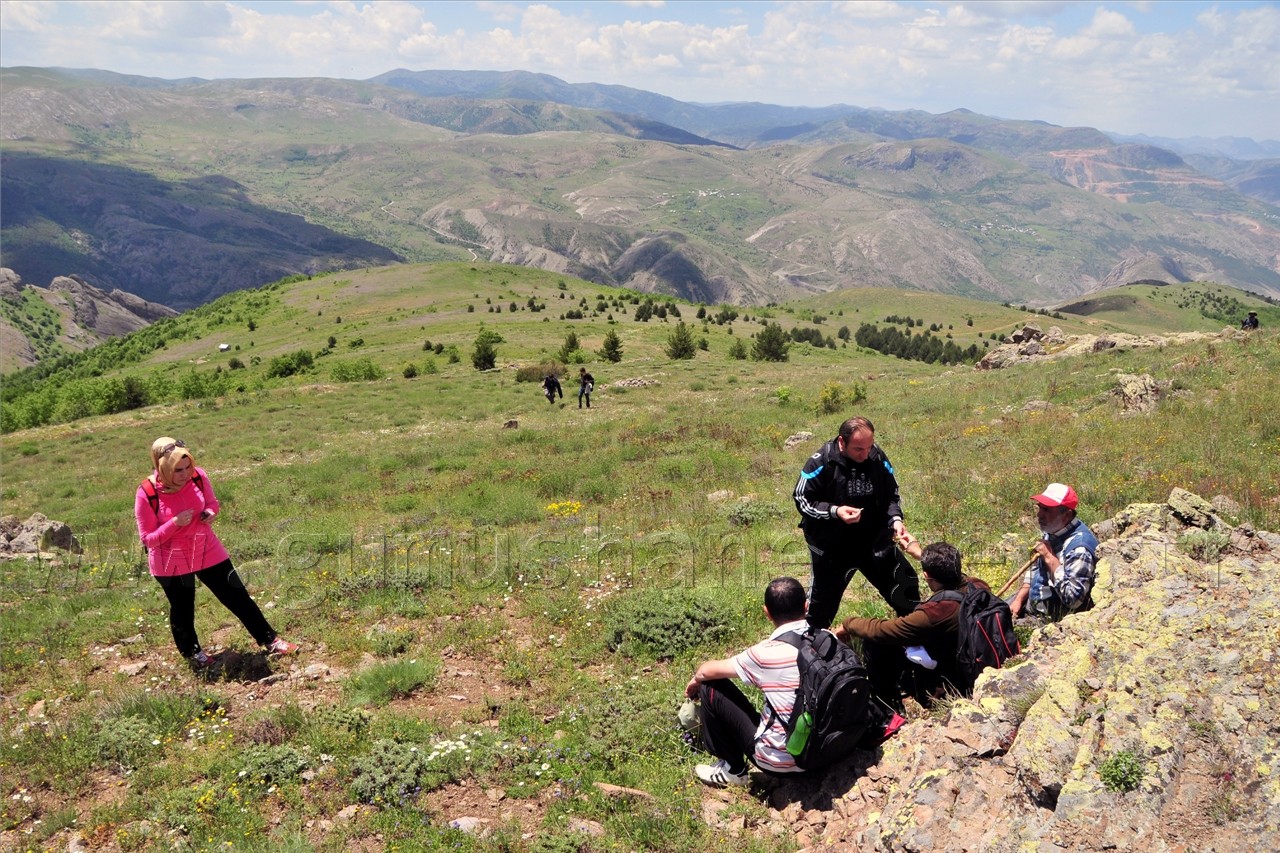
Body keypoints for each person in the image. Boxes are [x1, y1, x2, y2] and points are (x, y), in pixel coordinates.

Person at [135, 437, 298, 669]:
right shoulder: (147, 493)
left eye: (187, 467)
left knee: (238, 597)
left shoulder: (198, 476)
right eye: (177, 470)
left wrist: (210, 512)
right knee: (183, 609)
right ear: (162, 468)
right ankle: (193, 655)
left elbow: (212, 502)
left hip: (206, 549)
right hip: (171, 559)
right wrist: (174, 523)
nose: (184, 474)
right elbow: (148, 539)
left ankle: (271, 640)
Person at [793, 416, 921, 628]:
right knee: (821, 605)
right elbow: (802, 500)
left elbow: (892, 493)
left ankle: (916, 639)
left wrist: (895, 520)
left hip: (873, 540)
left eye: (869, 447)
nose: (865, 454)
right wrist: (835, 511)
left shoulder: (876, 455)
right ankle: (811, 647)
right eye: (858, 449)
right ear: (842, 442)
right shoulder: (821, 461)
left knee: (905, 585)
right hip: (832, 546)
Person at [684, 577, 809, 786]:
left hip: (783, 761)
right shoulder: (826, 639)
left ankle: (733, 769)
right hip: (828, 748)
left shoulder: (765, 654)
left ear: (767, 613)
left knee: (711, 686)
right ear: (806, 606)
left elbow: (707, 671)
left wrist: (696, 681)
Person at [836, 541, 988, 709]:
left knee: (876, 644)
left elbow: (881, 630)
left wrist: (848, 623)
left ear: (926, 576)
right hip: (975, 659)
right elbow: (957, 575)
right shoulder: (979, 586)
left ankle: (888, 710)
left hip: (954, 677)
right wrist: (921, 555)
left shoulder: (934, 615)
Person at [1008, 483, 1099, 621]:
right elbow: (1036, 570)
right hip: (1032, 602)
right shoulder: (1054, 529)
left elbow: (1073, 600)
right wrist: (1019, 599)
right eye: (1040, 508)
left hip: (1051, 619)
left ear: (1066, 515)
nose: (1039, 514)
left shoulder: (1080, 549)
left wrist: (1049, 557)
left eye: (1047, 510)